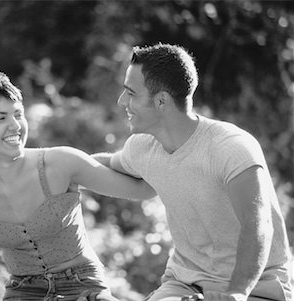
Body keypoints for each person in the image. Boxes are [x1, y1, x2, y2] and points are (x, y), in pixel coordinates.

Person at [0, 68, 156, 301]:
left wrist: (158, 150)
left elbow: (142, 189)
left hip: (83, 289)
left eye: (18, 114)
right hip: (23, 294)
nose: (15, 125)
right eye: (0, 118)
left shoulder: (61, 163)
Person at [92, 44, 292, 301]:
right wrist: (54, 165)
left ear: (161, 100)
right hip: (185, 284)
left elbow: (257, 226)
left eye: (130, 93)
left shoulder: (231, 147)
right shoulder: (143, 147)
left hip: (257, 288)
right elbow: (105, 165)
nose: (122, 101)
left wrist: (236, 293)